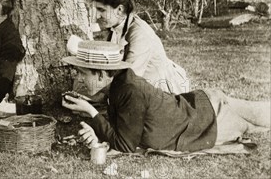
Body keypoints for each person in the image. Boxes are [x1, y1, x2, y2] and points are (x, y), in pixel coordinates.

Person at [61, 41, 270, 153]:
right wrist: (94, 113)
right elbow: (124, 123)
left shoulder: (128, 90)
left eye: (82, 73)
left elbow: (126, 145)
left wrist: (91, 112)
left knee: (264, 118)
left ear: (100, 74)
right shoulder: (119, 83)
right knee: (260, 125)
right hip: (199, 108)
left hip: (207, 118)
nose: (79, 78)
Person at [87, 0, 188, 95]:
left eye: (101, 10)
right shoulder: (115, 28)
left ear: (120, 10)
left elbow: (128, 83)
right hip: (141, 91)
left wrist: (93, 99)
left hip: (165, 95)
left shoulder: (140, 35)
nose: (96, 16)